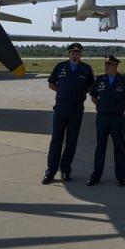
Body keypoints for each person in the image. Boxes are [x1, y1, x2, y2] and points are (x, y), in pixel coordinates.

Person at [43, 42, 94, 184]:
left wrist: (79, 93)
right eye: (72, 53)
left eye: (77, 53)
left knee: (71, 142)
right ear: (69, 54)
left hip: (76, 110)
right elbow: (51, 83)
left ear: (80, 55)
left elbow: (90, 86)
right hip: (60, 109)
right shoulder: (60, 67)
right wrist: (62, 92)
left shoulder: (86, 69)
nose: (75, 55)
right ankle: (51, 172)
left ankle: (65, 170)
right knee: (56, 141)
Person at [87, 54, 125, 187]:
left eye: (109, 64)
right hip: (102, 118)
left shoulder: (124, 80)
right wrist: (100, 107)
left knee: (119, 147)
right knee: (100, 147)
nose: (106, 66)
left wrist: (121, 109)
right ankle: (96, 176)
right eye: (105, 64)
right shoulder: (100, 79)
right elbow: (93, 96)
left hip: (117, 119)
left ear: (115, 66)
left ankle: (121, 177)